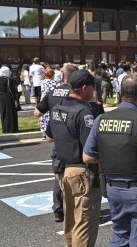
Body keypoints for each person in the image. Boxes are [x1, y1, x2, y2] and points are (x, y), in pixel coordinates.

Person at [83, 74, 137, 247]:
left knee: (120, 236)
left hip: (113, 189)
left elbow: (87, 156)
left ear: (120, 93)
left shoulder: (101, 119)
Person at [45, 70, 101, 247]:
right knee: (84, 222)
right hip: (81, 172)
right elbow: (90, 152)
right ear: (85, 88)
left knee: (70, 220)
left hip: (62, 170)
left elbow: (49, 137)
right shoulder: (84, 113)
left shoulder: (57, 107)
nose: (94, 91)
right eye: (93, 87)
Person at [34, 63, 78, 223]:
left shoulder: (53, 92)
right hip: (75, 141)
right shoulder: (77, 93)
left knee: (59, 177)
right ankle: (79, 210)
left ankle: (59, 210)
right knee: (79, 177)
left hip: (57, 138)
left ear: (63, 75)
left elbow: (37, 112)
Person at [39, 68, 58, 140]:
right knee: (50, 116)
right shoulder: (54, 82)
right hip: (51, 99)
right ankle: (50, 132)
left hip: (43, 99)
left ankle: (44, 133)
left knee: (43, 116)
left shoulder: (42, 82)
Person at [0, 66, 18, 133]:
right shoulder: (7, 79)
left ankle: (5, 129)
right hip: (8, 98)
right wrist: (15, 100)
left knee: (4, 113)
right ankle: (11, 128)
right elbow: (10, 90)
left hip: (1, 98)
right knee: (10, 113)